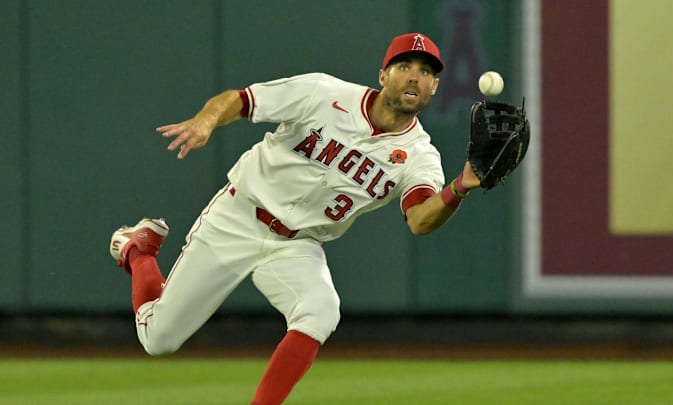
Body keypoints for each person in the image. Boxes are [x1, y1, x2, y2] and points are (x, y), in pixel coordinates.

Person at [109, 32, 482, 405]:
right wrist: (206, 121)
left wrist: (460, 186)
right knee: (159, 339)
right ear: (383, 75)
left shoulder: (420, 155)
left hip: (298, 244)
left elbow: (419, 219)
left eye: (425, 71)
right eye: (404, 67)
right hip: (239, 217)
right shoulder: (323, 93)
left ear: (435, 86)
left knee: (321, 311)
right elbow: (241, 100)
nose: (414, 76)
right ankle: (138, 250)